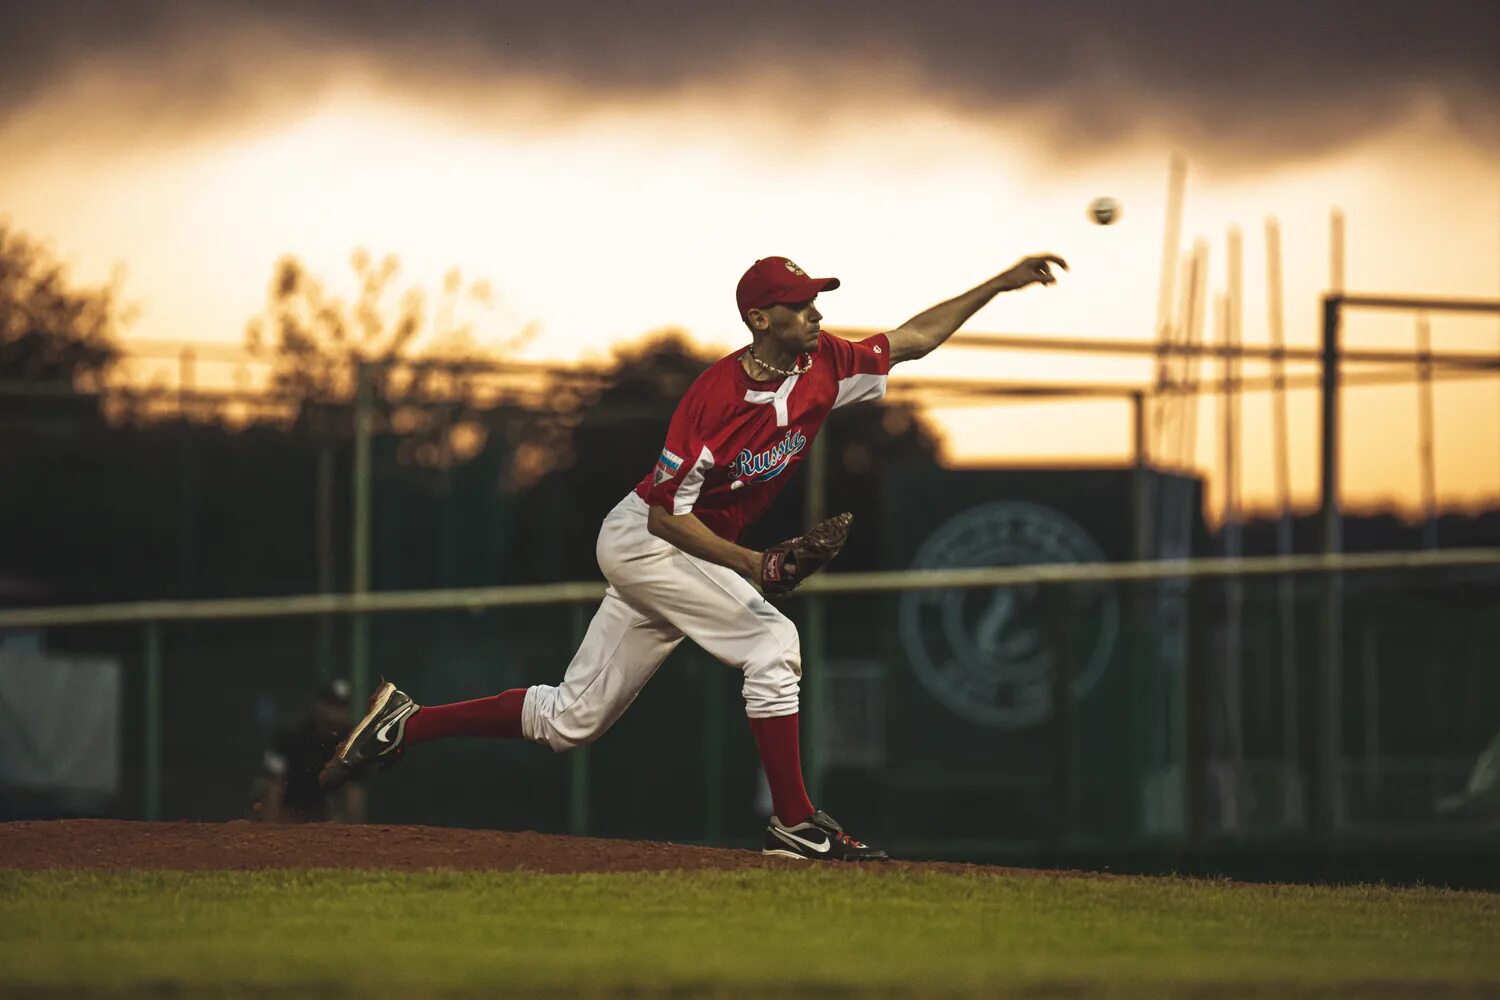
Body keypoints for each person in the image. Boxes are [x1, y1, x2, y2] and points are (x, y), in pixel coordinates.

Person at [320, 251, 1068, 860]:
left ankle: (403, 725)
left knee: (571, 720)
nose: (817, 312)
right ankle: (795, 822)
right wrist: (756, 565)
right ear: (759, 319)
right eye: (802, 303)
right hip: (649, 539)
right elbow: (663, 518)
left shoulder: (826, 365)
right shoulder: (712, 399)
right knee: (774, 641)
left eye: (816, 299)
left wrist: (998, 284)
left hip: (687, 550)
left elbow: (909, 340)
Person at [254, 678, 359, 823]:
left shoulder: (351, 742)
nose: (335, 712)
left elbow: (354, 791)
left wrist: (349, 831)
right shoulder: (292, 735)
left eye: (342, 706)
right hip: (287, 807)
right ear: (318, 705)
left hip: (322, 813)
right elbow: (273, 783)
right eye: (331, 705)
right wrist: (270, 827)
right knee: (263, 787)